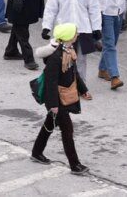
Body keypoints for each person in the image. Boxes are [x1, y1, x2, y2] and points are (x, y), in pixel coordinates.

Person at [30, 23, 92, 175]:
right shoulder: (56, 58)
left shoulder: (69, 51)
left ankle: (36, 152)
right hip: (57, 100)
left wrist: (83, 90)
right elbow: (51, 83)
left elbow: (74, 74)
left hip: (62, 98)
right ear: (68, 37)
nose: (77, 35)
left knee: (49, 123)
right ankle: (75, 165)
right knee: (67, 130)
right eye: (75, 33)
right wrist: (53, 105)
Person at [41, 0, 102, 85]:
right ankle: (66, 86)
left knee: (81, 60)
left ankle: (81, 86)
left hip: (83, 29)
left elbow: (94, 8)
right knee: (64, 59)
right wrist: (46, 26)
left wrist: (96, 28)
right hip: (65, 32)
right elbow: (51, 8)